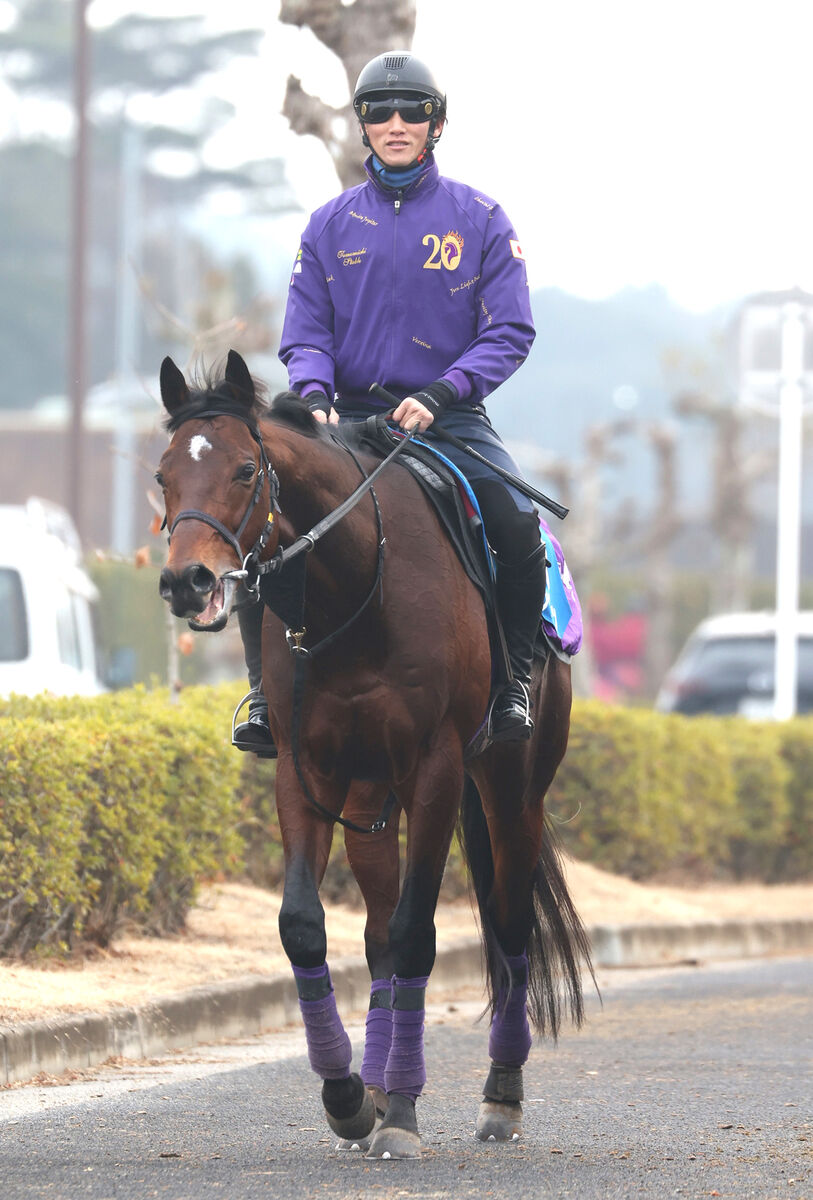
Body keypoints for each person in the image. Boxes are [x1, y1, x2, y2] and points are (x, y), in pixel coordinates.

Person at [234, 49, 546, 756]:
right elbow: (305, 334)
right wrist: (312, 396)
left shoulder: (482, 218)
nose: (396, 122)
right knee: (259, 523)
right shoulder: (327, 225)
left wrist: (442, 392)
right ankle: (260, 694)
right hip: (342, 418)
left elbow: (510, 331)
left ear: (436, 124)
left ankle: (515, 681)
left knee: (516, 522)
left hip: (449, 414)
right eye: (379, 111)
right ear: (363, 125)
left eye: (413, 110)